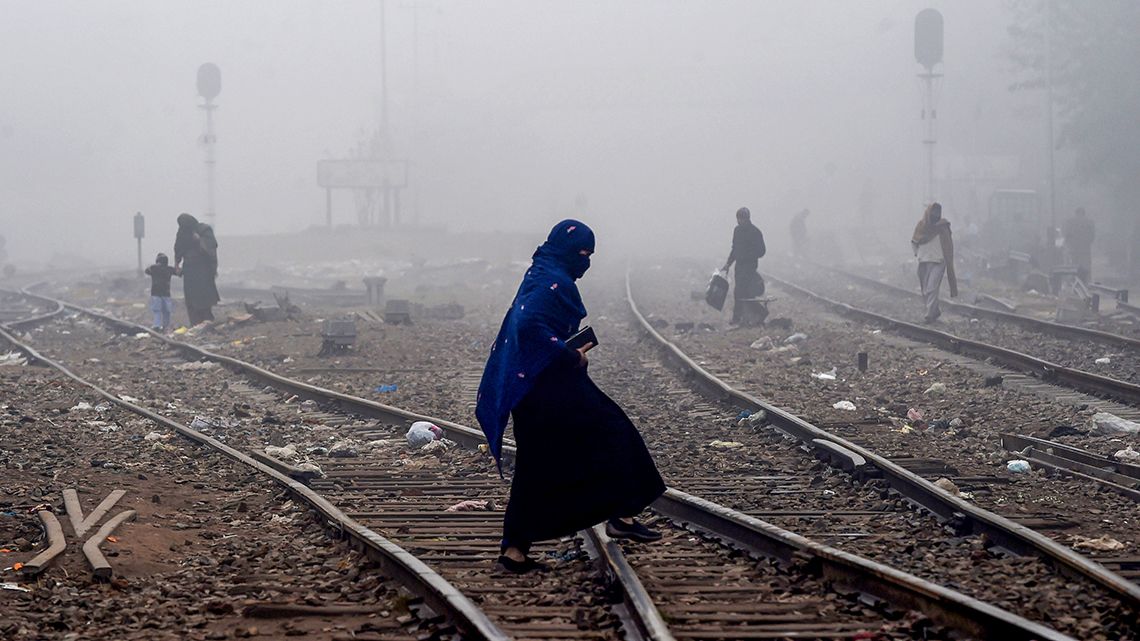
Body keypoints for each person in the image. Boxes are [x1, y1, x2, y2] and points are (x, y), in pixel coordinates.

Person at [476, 219, 666, 574]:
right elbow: (530, 325)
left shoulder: (543, 271)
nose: (586, 260)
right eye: (581, 252)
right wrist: (569, 354)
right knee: (613, 432)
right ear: (566, 250)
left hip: (534, 387)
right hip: (547, 386)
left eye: (590, 254)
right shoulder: (553, 280)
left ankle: (514, 551)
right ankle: (621, 516)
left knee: (537, 466)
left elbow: (532, 325)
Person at [911, 202, 958, 322]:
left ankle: (929, 314)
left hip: (938, 261)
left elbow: (948, 244)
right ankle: (935, 310)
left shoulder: (943, 226)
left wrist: (948, 258)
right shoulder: (921, 225)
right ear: (928, 212)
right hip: (923, 261)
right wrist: (917, 254)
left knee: (932, 287)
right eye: (933, 212)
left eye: (937, 212)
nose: (935, 215)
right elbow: (914, 241)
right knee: (925, 289)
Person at [722, 207, 766, 324]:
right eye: (738, 219)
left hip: (750, 267)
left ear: (747, 218)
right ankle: (748, 316)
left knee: (741, 292)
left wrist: (748, 255)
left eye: (741, 219)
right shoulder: (737, 231)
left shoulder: (755, 232)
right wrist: (728, 263)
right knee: (741, 292)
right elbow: (734, 249)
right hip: (739, 266)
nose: (739, 221)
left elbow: (761, 251)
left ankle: (739, 317)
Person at [174, 213, 220, 325]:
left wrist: (199, 240)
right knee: (191, 299)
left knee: (204, 298)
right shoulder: (183, 232)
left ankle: (207, 322)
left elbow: (210, 248)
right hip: (189, 270)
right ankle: (195, 323)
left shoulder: (203, 230)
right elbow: (178, 249)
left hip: (203, 269)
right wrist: (177, 265)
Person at [144, 253, 180, 331]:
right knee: (166, 311)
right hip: (166, 293)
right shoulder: (169, 269)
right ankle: (165, 326)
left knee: (157, 310)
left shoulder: (154, 268)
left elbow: (146, 271)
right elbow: (179, 273)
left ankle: (157, 325)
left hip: (156, 293)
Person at [1063, 207, 1095, 282]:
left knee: (1074, 265)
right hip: (1085, 249)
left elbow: (1067, 235)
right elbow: (1092, 236)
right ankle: (1087, 280)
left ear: (1076, 213)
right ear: (1084, 213)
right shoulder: (1089, 222)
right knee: (1086, 265)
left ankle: (1075, 280)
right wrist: (1087, 242)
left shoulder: (1070, 222)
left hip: (1074, 249)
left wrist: (1070, 244)